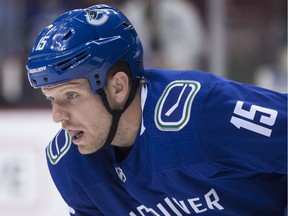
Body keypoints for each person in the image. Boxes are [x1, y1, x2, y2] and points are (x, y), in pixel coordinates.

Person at [26, 4, 287, 216]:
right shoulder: (72, 167)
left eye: (71, 95)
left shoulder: (202, 113)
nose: (57, 116)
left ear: (118, 87)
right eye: (51, 99)